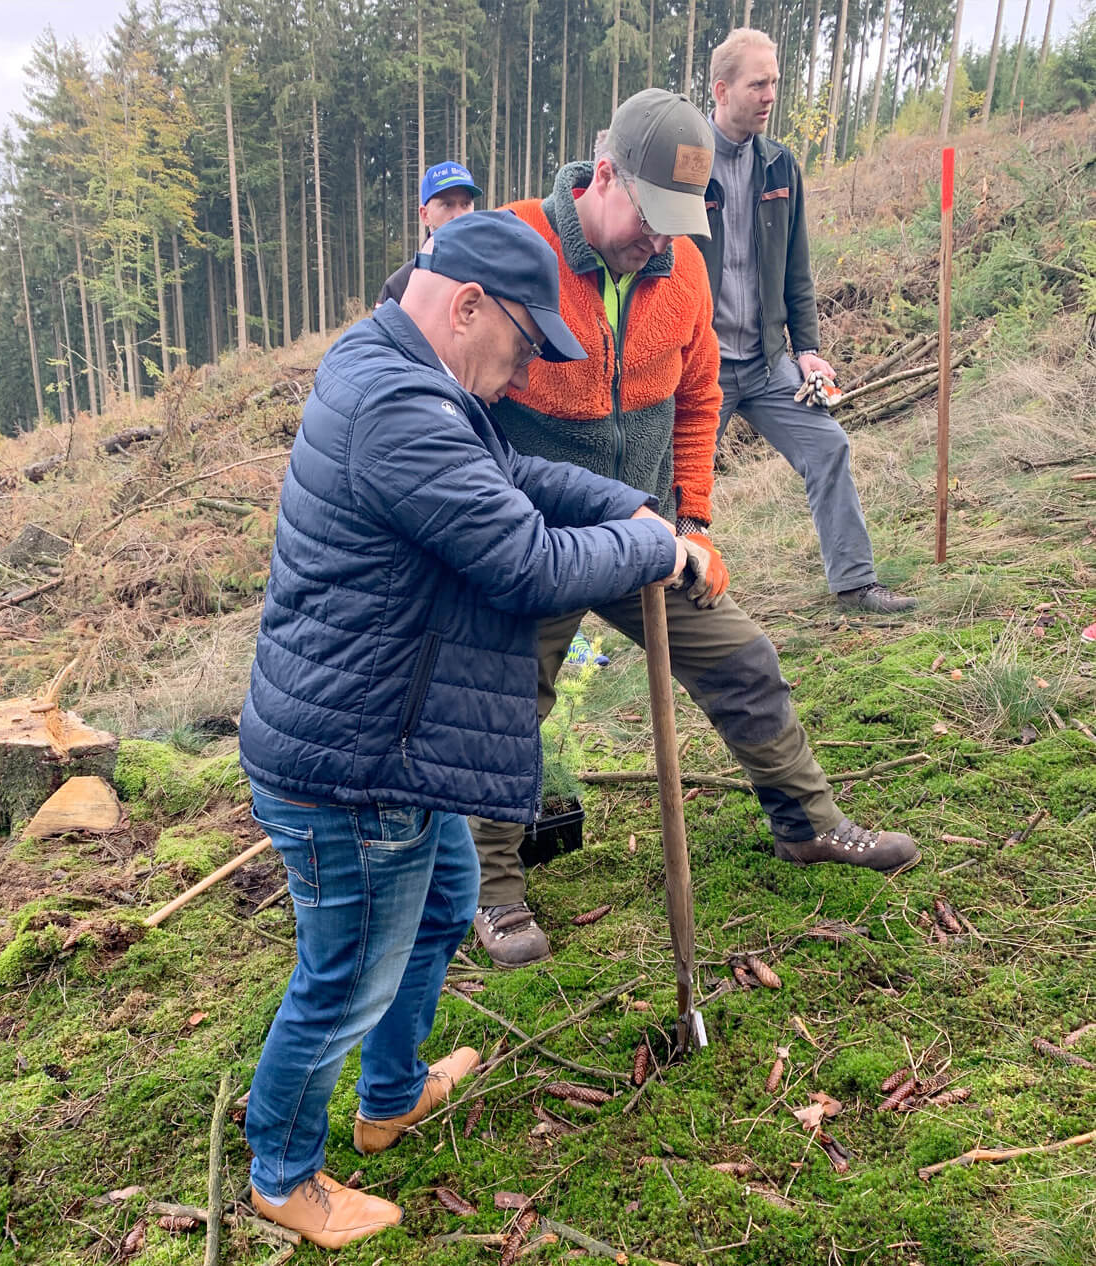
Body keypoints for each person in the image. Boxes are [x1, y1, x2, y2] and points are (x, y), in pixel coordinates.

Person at [238, 210, 689, 1247]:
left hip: (392, 739)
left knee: (446, 905)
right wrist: (650, 552)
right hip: (354, 765)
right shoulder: (399, 404)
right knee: (344, 978)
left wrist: (630, 507)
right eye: (525, 345)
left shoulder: (408, 368)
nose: (527, 373)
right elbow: (522, 562)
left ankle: (391, 1095)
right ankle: (282, 1172)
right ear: (469, 306)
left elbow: (513, 480)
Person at [469, 89, 921, 970]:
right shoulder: (517, 243)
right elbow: (458, 390)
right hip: (535, 539)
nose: (661, 241)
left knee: (744, 657)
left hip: (643, 533)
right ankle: (493, 889)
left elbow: (699, 400)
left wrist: (695, 520)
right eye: (651, 217)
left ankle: (808, 823)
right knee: (505, 699)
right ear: (604, 175)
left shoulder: (681, 273)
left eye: (680, 223)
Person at [697, 27, 917, 615]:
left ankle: (855, 584)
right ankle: (665, 602)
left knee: (829, 448)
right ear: (721, 90)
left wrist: (808, 349)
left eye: (774, 82)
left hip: (769, 363)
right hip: (702, 367)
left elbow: (797, 270)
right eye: (758, 84)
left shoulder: (780, 166)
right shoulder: (688, 165)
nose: (770, 95)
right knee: (676, 482)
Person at [375, 161, 482, 306]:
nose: (459, 216)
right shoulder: (399, 286)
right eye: (447, 205)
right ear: (425, 215)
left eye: (465, 204)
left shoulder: (492, 272)